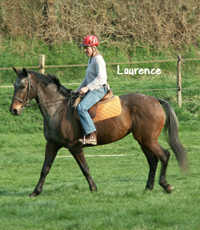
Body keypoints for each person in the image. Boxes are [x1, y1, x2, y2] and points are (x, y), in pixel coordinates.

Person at [76, 35, 109, 145]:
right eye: (84, 47)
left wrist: (87, 88)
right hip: (93, 88)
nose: (85, 50)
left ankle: (92, 135)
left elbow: (101, 78)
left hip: (99, 89)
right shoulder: (91, 60)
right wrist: (78, 90)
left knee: (81, 108)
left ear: (94, 47)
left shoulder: (98, 59)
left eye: (87, 47)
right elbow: (87, 78)